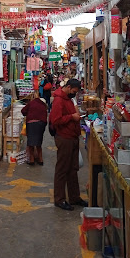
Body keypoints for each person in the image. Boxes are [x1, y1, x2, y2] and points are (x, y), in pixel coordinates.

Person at [49, 78, 88, 211]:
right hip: (64, 138)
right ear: (69, 87)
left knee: (73, 169)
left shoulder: (68, 99)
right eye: (74, 91)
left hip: (72, 137)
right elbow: (55, 120)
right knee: (62, 169)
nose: (74, 94)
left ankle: (74, 197)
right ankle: (59, 199)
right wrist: (72, 117)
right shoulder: (59, 100)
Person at [21, 93, 48, 165]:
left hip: (31, 123)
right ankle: (40, 159)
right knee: (39, 141)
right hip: (41, 124)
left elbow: (23, 111)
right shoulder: (43, 105)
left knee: (31, 142)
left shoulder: (31, 103)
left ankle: (32, 160)